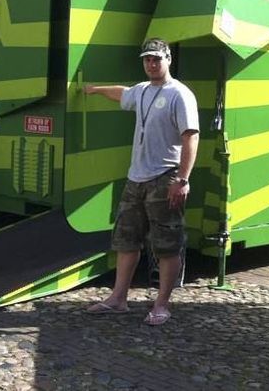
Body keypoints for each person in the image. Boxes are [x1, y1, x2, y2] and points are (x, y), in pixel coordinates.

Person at [84, 37, 200, 326]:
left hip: (164, 178)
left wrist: (182, 179)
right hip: (136, 178)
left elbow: (191, 137)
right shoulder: (143, 90)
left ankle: (162, 305)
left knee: (166, 245)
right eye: (147, 59)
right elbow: (122, 94)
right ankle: (118, 299)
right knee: (126, 241)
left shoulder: (180, 94)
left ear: (168, 59)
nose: (151, 63)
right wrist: (95, 90)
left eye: (156, 59)